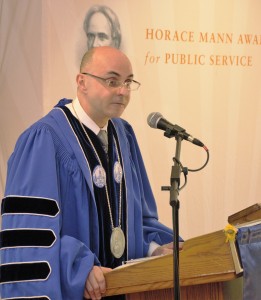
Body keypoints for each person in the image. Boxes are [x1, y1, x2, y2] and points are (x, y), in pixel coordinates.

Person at [0, 46, 182, 299]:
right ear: (81, 82)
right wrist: (77, 267)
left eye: (128, 82)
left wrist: (153, 248)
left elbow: (136, 217)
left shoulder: (123, 136)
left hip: (125, 289)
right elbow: (31, 234)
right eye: (112, 81)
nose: (123, 91)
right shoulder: (44, 139)